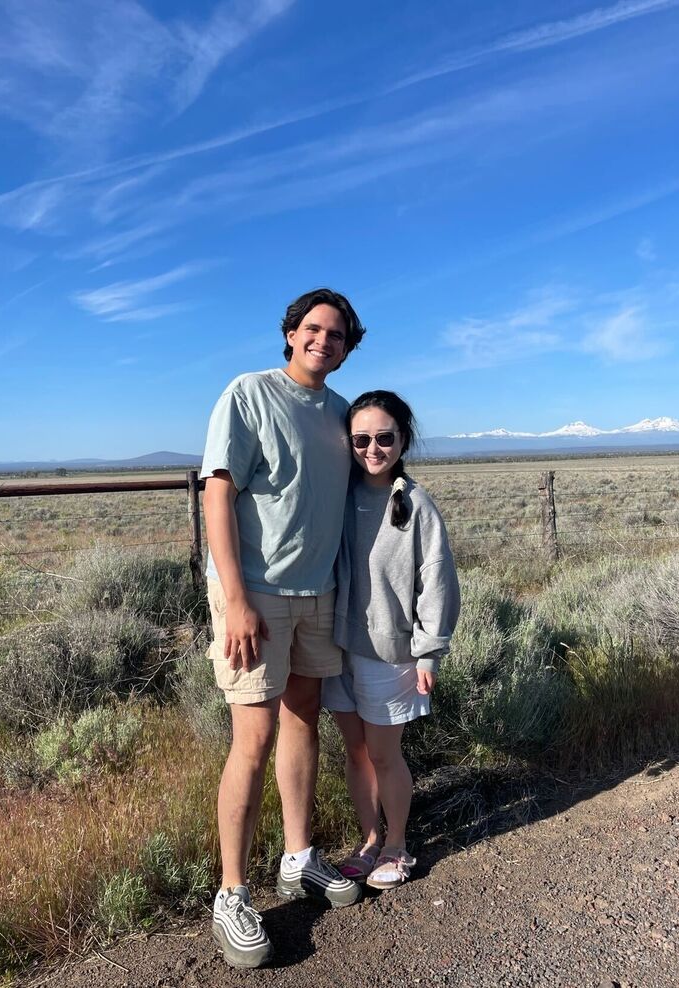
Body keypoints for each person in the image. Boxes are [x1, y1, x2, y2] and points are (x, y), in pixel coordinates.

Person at [201, 288, 366, 969]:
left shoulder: (340, 413)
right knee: (254, 735)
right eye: (313, 329)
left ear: (348, 346)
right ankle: (231, 894)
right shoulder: (248, 393)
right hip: (257, 596)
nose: (323, 341)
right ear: (291, 333)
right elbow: (217, 491)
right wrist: (235, 598)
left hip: (317, 593)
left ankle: (299, 859)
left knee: (303, 720)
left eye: (337, 334)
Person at [321, 390, 460, 890]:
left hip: (390, 652)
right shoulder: (338, 495)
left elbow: (437, 580)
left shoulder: (415, 504)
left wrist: (429, 650)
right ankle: (369, 839)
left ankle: (397, 843)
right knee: (355, 753)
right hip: (335, 646)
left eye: (384, 438)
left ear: (403, 439)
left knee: (383, 754)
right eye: (361, 439)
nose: (372, 449)